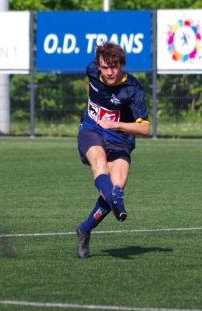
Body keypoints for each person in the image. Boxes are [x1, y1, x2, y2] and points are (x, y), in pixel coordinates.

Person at [76, 41, 150, 259]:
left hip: (119, 138)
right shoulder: (92, 70)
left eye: (114, 67)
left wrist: (116, 124)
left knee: (117, 186)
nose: (109, 72)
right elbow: (91, 87)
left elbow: (145, 128)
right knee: (99, 162)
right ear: (98, 65)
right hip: (91, 130)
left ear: (122, 65)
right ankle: (114, 199)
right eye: (105, 67)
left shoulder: (133, 89)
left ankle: (85, 229)